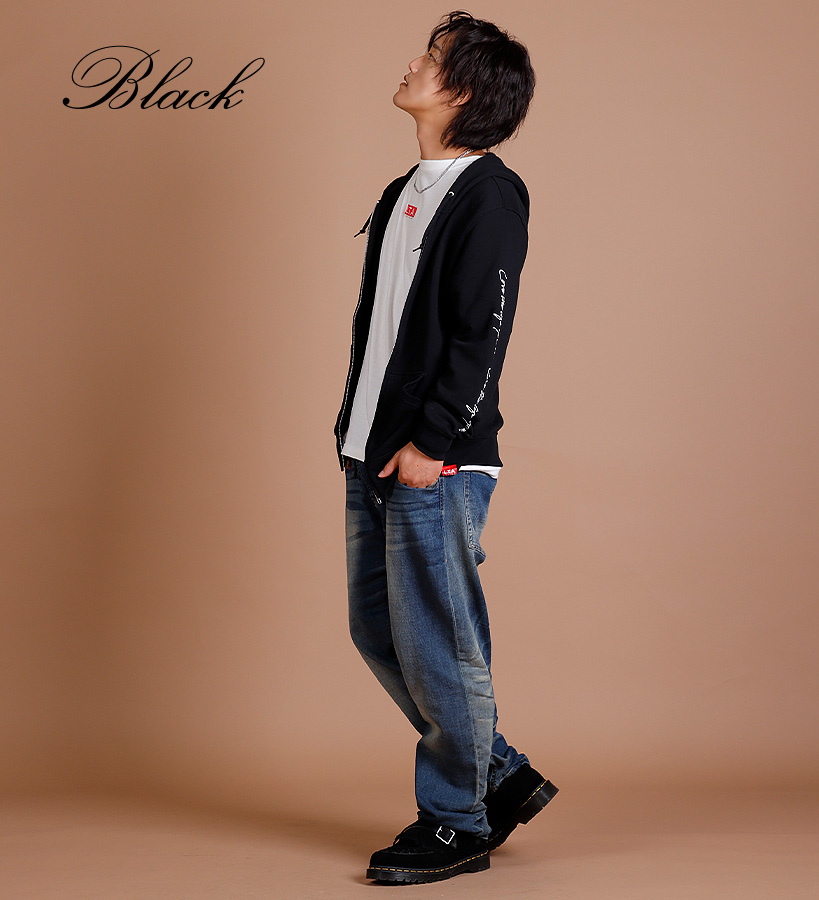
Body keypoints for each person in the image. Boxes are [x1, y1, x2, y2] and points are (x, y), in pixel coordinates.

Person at [334, 10, 557, 885]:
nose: (412, 65)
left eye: (430, 58)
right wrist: (360, 433)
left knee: (437, 641)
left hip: (437, 456)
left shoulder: (490, 192)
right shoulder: (406, 189)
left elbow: (482, 333)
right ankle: (498, 773)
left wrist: (433, 440)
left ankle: (457, 822)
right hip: (374, 448)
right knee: (377, 629)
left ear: (463, 90)